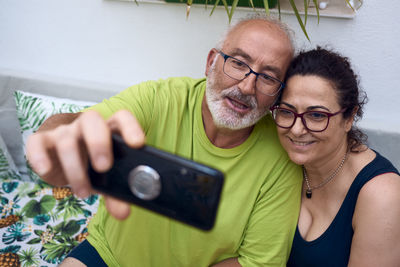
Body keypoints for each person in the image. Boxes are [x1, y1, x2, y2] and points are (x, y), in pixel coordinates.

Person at [26, 15, 303, 267]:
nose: (246, 86)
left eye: (267, 77)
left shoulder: (281, 157)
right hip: (107, 254)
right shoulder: (160, 99)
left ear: (278, 95)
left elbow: (255, 262)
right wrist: (55, 140)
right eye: (238, 63)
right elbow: (78, 127)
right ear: (211, 62)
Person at [269, 47, 400, 266]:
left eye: (317, 115)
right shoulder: (279, 159)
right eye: (286, 111)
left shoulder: (382, 195)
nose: (297, 129)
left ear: (349, 117)